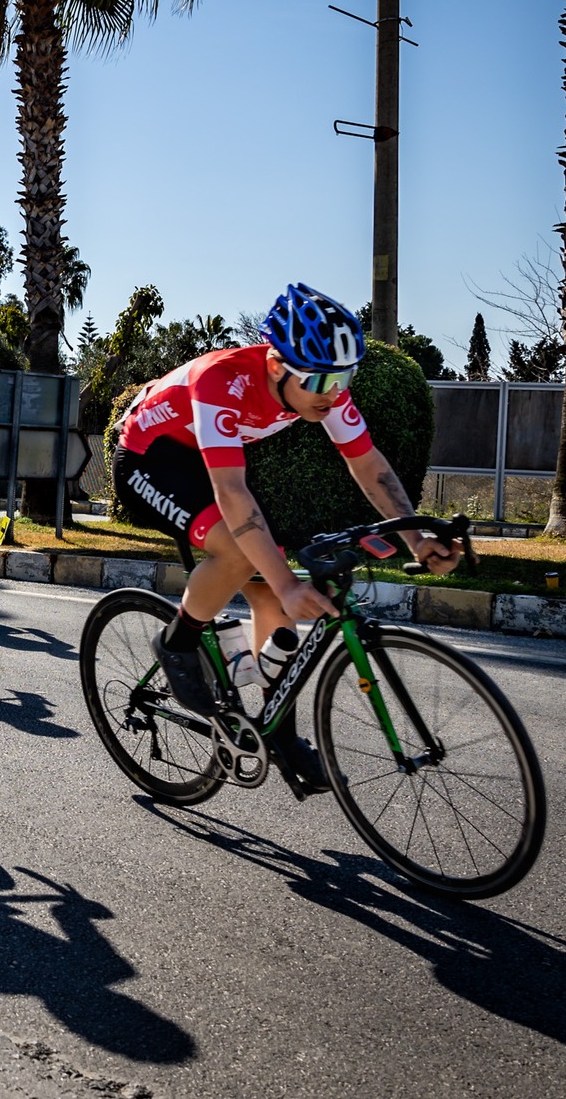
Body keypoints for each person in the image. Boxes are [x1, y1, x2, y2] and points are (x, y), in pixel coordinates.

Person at [112, 283, 463, 790]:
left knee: (273, 602)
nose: (334, 391)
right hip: (151, 455)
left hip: (207, 453)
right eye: (321, 378)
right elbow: (231, 494)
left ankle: (281, 734)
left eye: (345, 377)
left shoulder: (323, 391)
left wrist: (415, 536)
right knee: (242, 556)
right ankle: (178, 642)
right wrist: (286, 583)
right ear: (277, 364)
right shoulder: (222, 380)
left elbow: (367, 464)